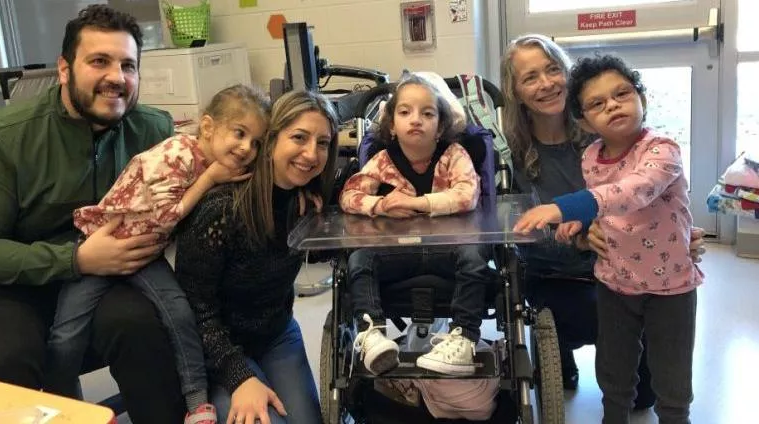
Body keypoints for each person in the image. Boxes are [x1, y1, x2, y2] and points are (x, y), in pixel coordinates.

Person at [0, 5, 188, 423]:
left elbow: (207, 179)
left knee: (148, 328)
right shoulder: (5, 136)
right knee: (3, 356)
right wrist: (75, 259)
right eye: (99, 61)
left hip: (108, 280)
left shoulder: (152, 131)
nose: (116, 77)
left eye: (128, 65)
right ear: (63, 69)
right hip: (12, 285)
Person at [44, 84, 270, 424]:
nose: (246, 148)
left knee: (180, 314)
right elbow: (167, 216)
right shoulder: (175, 154)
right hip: (102, 249)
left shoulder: (218, 165)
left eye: (255, 142)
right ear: (208, 127)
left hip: (145, 253)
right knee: (66, 333)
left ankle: (196, 401)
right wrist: (209, 178)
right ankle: (65, 406)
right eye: (239, 133)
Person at [499, 34, 705, 405]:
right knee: (594, 339)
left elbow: (646, 190)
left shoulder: (608, 134)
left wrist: (678, 233)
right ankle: (559, 353)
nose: (546, 83)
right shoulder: (508, 152)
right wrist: (577, 238)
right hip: (555, 275)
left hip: (623, 268)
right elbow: (517, 232)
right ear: (514, 91)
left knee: (645, 397)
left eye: (553, 70)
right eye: (531, 77)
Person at [174, 90, 339, 424]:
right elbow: (196, 310)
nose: (311, 153)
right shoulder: (222, 209)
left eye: (323, 143)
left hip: (276, 332)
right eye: (299, 137)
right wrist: (239, 376)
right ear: (271, 140)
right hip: (217, 347)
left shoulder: (307, 200)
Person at [340, 74, 492, 376]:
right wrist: (380, 205)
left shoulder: (453, 155)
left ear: (441, 127)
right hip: (401, 251)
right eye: (405, 112)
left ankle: (463, 338)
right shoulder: (382, 161)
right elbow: (349, 195)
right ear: (392, 126)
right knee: (359, 259)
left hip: (450, 250)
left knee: (476, 258)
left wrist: (416, 203)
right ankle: (372, 336)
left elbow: (467, 195)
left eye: (427, 113)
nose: (416, 120)